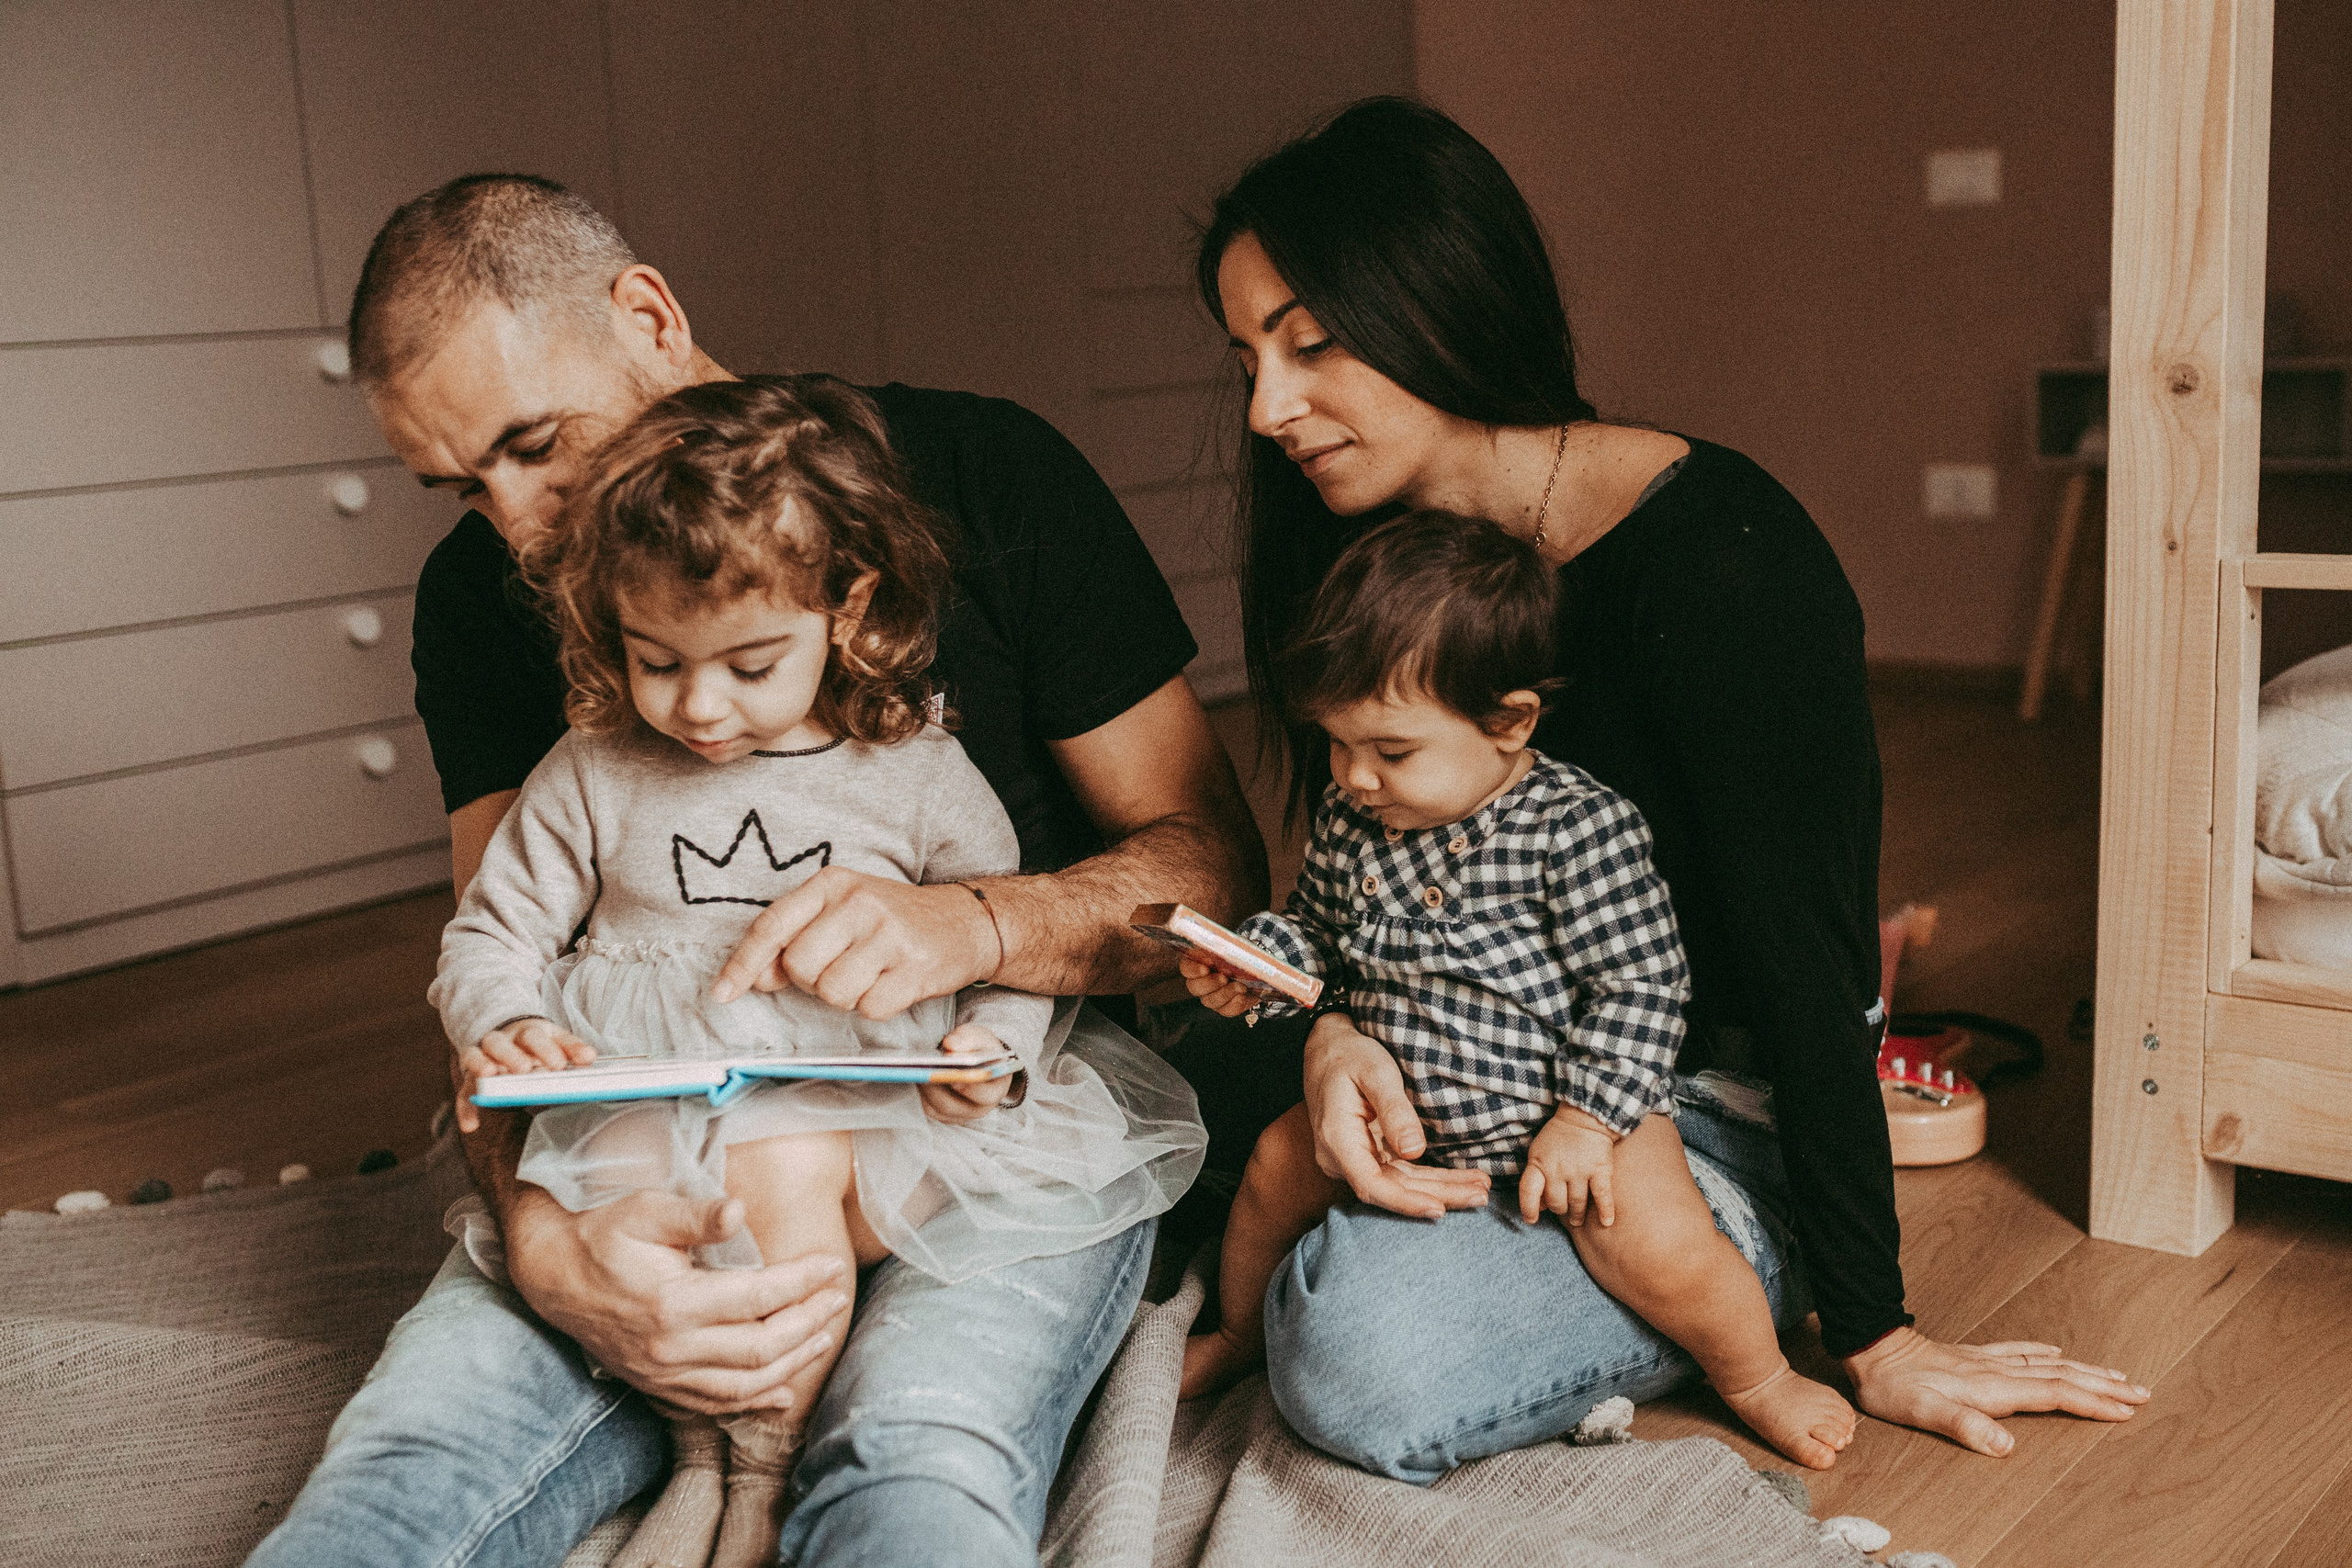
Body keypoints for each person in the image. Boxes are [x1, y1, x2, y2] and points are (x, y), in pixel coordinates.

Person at [250, 176, 1264, 1568]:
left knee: (912, 1464)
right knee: (404, 1469)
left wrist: (973, 927)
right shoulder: (482, 605)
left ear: (651, 318)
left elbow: (1207, 863)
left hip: (969, 1147)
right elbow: (497, 968)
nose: (520, 524)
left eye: (536, 444)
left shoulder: (985, 471)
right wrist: (551, 1250)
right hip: (651, 1157)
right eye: (461, 483)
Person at [1165, 96, 2150, 1483]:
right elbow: (1358, 879)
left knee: (1355, 1357)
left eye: (1312, 345)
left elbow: (1810, 976)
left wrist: (1875, 1331)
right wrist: (1333, 1038)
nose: (1268, 411)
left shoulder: (1726, 566)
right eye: (1248, 359)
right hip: (1440, 1026)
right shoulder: (1366, 559)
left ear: (1438, 299)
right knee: (1132, 1111)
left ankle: (1722, 1286)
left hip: (1668, 1100)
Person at [435, 375, 1204, 1568]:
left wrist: (989, 1049)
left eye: (750, 662)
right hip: (644, 1094)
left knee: (777, 1161)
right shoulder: (590, 767)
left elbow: (995, 931)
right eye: (654, 658)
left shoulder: (911, 769)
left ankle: (759, 1467)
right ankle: (695, 1451)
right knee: (666, 1215)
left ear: (845, 608)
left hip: (861, 1108)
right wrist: (506, 1018)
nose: (696, 705)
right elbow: (493, 931)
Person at [1174, 510, 1856, 1471]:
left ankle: (1755, 1375)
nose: (1353, 775)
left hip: (1564, 1115)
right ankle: (1243, 1330)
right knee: (1274, 1168)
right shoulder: (1353, 816)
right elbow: (1319, 937)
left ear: (1510, 721)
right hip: (1404, 1115)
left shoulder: (1578, 829)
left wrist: (1585, 1119)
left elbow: (1641, 987)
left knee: (1654, 1245)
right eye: (1333, 743)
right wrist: (1258, 965)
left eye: (1391, 750)